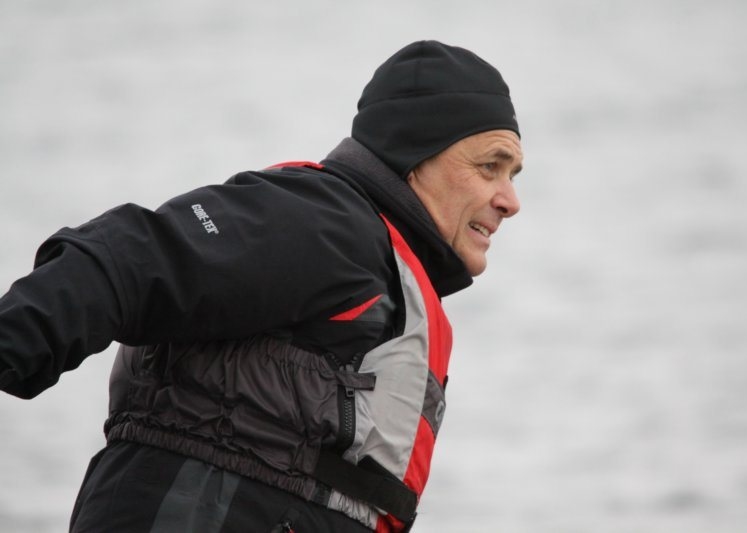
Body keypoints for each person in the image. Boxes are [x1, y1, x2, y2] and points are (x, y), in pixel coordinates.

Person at [0, 40, 522, 532]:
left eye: (513, 175)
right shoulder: (326, 223)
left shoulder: (383, 271)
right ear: (414, 156)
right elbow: (128, 257)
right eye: (488, 167)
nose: (510, 200)